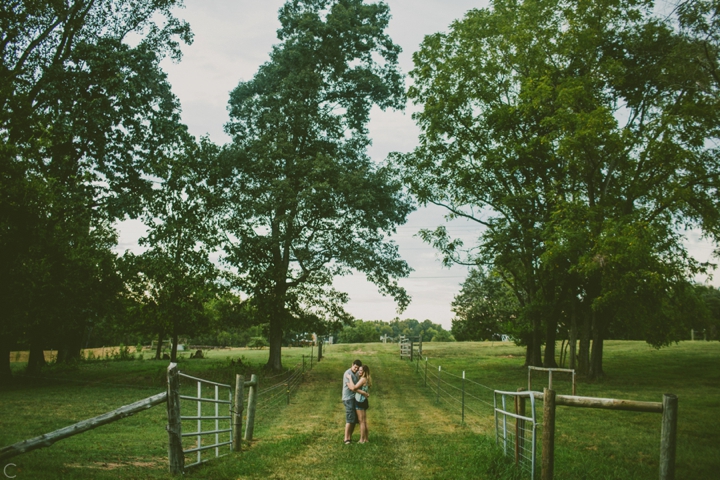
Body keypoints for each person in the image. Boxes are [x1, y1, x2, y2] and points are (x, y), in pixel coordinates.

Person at [342, 359, 362, 444]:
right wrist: (363, 393)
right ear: (352, 364)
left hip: (355, 398)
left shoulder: (356, 373)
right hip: (348, 398)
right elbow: (351, 387)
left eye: (357, 368)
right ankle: (346, 438)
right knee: (350, 418)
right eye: (355, 367)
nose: (356, 369)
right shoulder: (348, 373)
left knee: (354, 419)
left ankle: (350, 437)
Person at [354, 365, 371, 443]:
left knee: (361, 421)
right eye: (359, 370)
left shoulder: (363, 379)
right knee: (364, 421)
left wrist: (350, 379)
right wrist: (364, 393)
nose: (359, 372)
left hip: (359, 401)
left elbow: (354, 388)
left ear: (364, 372)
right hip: (364, 400)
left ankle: (361, 439)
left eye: (361, 370)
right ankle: (366, 439)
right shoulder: (366, 379)